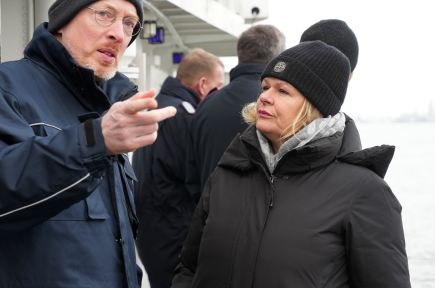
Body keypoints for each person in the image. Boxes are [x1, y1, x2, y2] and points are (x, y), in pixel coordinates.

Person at [0, 0, 176, 288]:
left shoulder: (112, 106)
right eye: (104, 15)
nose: (119, 33)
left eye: (130, 24)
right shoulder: (1, 87)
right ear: (63, 20)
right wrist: (95, 141)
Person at [171, 40, 411, 288]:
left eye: (282, 91)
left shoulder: (364, 191)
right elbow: (189, 266)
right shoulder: (229, 171)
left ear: (315, 108)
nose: (264, 97)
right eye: (265, 87)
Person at [132, 48, 224, 288]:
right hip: (175, 227)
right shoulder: (184, 116)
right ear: (203, 85)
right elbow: (196, 176)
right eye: (218, 85)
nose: (220, 92)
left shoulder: (158, 106)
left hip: (151, 226)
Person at [185, 25, 286, 202]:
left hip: (210, 220)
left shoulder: (205, 105)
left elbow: (192, 178)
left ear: (240, 56)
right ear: (278, 58)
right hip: (263, 224)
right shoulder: (282, 105)